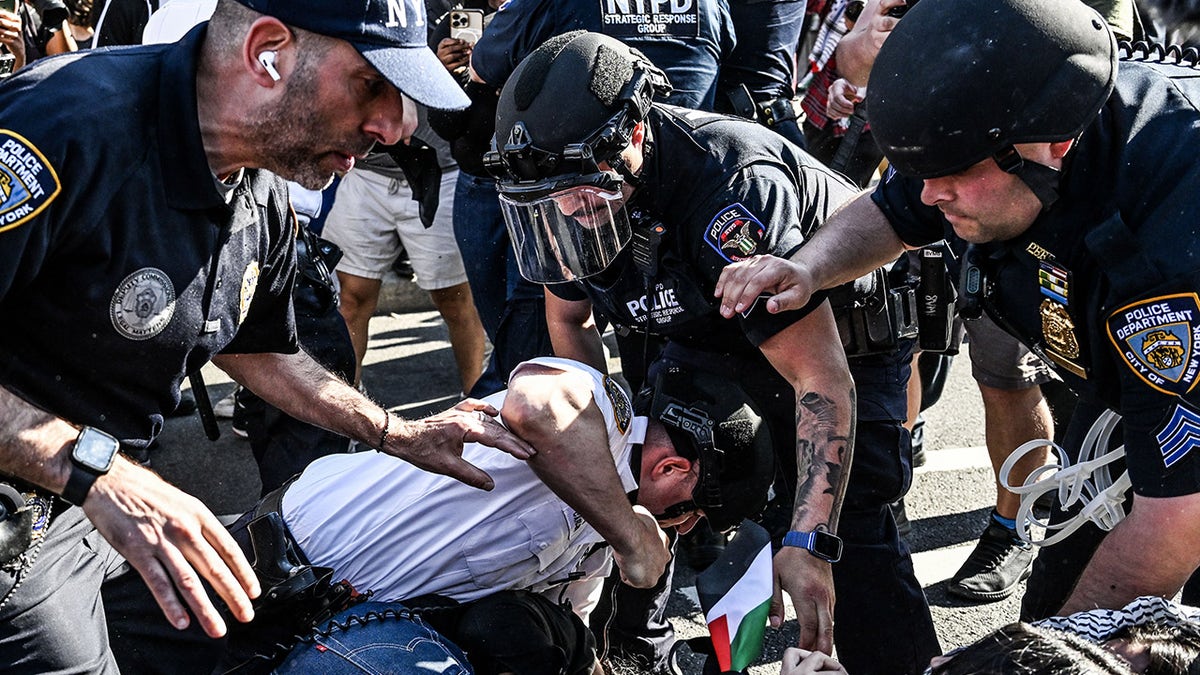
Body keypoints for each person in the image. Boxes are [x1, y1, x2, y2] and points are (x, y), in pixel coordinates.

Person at [0, 0, 537, 671]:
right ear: (267, 52)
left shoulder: (255, 187)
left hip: (98, 501)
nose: (397, 126)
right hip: (25, 514)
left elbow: (264, 348)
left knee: (290, 618)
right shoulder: (60, 129)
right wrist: (94, 469)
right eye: (372, 83)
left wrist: (394, 433)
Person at [713, 0, 1200, 623]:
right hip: (1118, 391)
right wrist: (808, 268)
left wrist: (1042, 663)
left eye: (949, 175)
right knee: (1052, 606)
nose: (929, 194)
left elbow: (1177, 515)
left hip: (1179, 406)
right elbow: (892, 210)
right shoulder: (995, 134)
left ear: (1054, 143)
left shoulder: (1171, 230)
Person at [488, 31, 939, 674]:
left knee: (847, 535)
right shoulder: (563, 190)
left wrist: (809, 538)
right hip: (701, 325)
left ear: (635, 135)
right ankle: (722, 654)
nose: (569, 209)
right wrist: (610, 444)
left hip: (836, 335)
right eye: (552, 198)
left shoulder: (730, 186)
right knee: (692, 495)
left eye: (585, 191)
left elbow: (821, 377)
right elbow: (569, 317)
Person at [223, 357, 776, 673]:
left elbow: (560, 636)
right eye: (688, 515)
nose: (679, 530)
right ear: (672, 470)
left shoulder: (591, 548)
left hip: (351, 631)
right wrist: (632, 534)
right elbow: (538, 405)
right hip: (270, 557)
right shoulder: (601, 412)